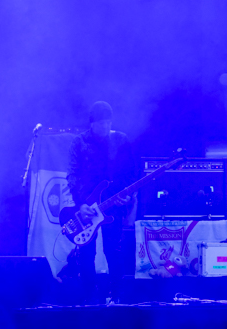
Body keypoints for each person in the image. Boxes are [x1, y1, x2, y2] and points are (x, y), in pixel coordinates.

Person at [66, 101, 137, 303]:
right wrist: (80, 204)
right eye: (101, 123)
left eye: (108, 122)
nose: (105, 126)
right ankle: (89, 295)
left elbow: (131, 172)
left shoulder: (120, 140)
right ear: (92, 123)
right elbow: (72, 175)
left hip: (113, 204)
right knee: (86, 252)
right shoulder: (79, 142)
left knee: (113, 249)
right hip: (87, 205)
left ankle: (118, 296)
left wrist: (128, 196)